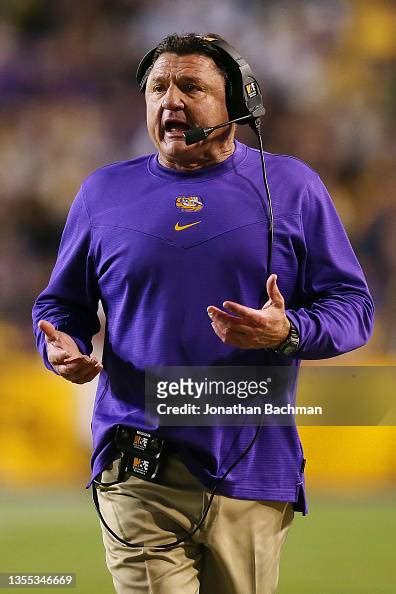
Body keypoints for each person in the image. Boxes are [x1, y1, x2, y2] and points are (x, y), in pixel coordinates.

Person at [32, 33, 374, 594]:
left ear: (238, 103)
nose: (171, 100)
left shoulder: (294, 188)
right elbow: (60, 305)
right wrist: (60, 344)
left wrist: (289, 330)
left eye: (191, 86)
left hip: (253, 466)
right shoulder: (102, 193)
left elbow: (354, 307)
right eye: (157, 88)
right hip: (138, 465)